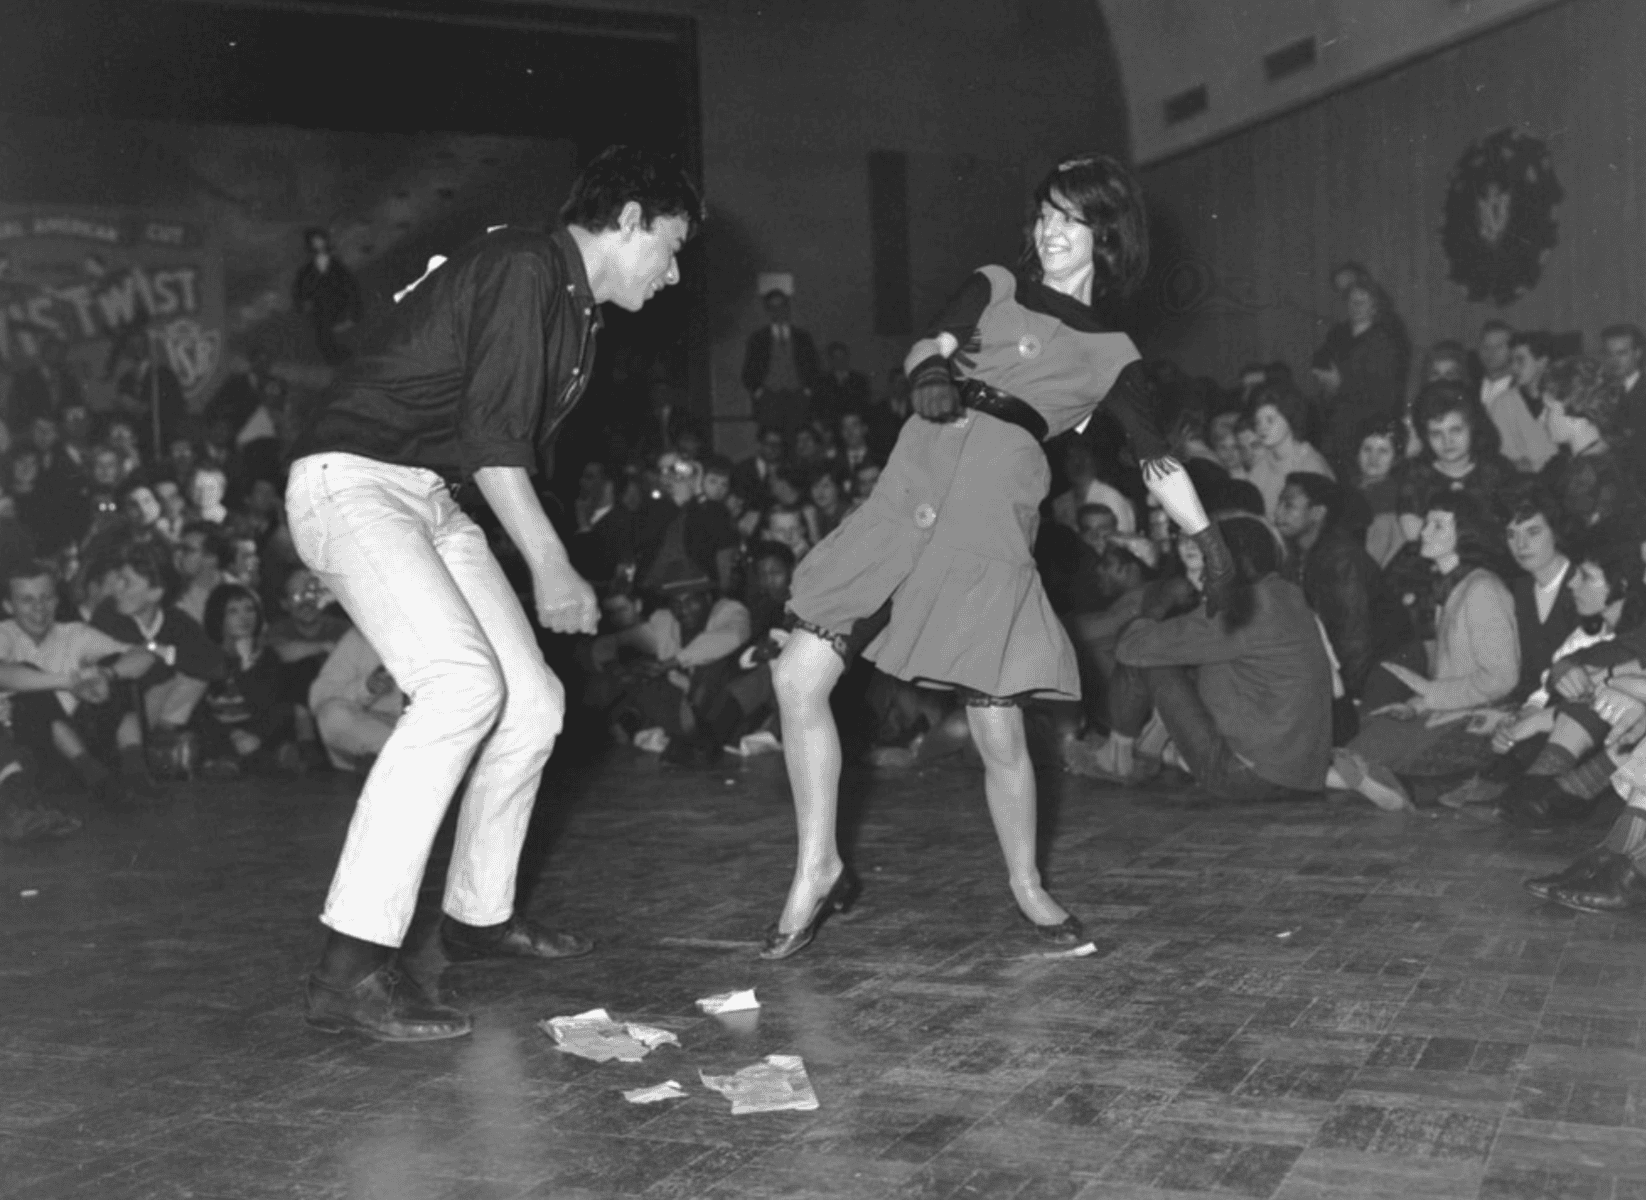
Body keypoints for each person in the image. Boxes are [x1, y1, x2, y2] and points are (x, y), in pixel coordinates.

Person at [762, 154, 1236, 960]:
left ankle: (1027, 885)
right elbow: (931, 341)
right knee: (795, 677)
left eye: (1069, 218)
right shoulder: (998, 283)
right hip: (912, 483)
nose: (1050, 230)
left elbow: (1156, 460)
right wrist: (932, 370)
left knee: (998, 729)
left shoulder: (1111, 352)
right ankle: (818, 865)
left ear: (1105, 235)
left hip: (988, 518)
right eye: (1044, 214)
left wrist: (1209, 541)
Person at [285, 145, 702, 1042]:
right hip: (351, 481)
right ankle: (348, 967)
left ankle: (478, 915)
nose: (672, 274)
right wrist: (551, 563)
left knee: (533, 701)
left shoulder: (573, 311)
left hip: (429, 498)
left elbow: (483, 448)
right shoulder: (526, 264)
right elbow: (493, 443)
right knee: (461, 686)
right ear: (629, 220)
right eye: (670, 248)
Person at [1101, 516, 1333, 798]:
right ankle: (1145, 755)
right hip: (1301, 775)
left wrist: (1157, 606)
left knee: (1143, 660)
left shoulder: (1242, 607)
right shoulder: (1286, 594)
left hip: (1249, 776)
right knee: (1184, 662)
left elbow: (1131, 647)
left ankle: (1116, 760)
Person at [1241, 381, 1334, 519]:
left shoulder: (1310, 464)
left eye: (1270, 420)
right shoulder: (1260, 465)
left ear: (1290, 418)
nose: (1262, 427)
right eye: (1257, 422)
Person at [741, 290, 820, 441]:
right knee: (772, 441)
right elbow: (748, 372)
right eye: (773, 308)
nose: (779, 312)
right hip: (769, 400)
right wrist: (759, 392)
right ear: (768, 311)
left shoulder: (802, 337)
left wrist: (807, 391)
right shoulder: (758, 338)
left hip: (798, 399)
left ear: (788, 308)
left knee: (798, 441)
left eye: (782, 306)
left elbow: (814, 368)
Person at [292, 229, 364, 366]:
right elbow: (299, 292)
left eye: (321, 243)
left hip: (339, 308)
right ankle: (337, 359)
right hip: (320, 313)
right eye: (315, 244)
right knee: (324, 338)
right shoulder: (306, 271)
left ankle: (346, 358)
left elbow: (351, 288)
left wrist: (355, 314)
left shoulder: (337, 268)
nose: (319, 247)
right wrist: (302, 306)